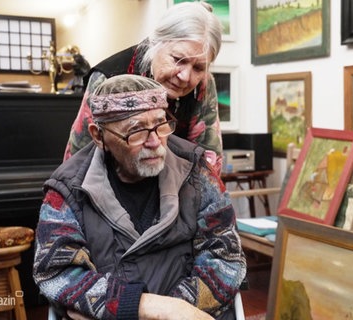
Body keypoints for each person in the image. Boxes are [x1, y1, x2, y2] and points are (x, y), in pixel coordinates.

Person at [33, 74, 246, 320]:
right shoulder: (68, 189)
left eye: (161, 124)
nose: (155, 142)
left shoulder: (197, 173)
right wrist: (145, 307)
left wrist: (176, 310)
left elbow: (225, 259)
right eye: (136, 131)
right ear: (98, 136)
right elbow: (57, 272)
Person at [64, 1, 224, 175]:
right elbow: (77, 160)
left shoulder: (202, 83)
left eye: (198, 68)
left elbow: (209, 160)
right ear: (155, 43)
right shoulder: (108, 79)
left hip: (176, 187)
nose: (185, 76)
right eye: (178, 59)